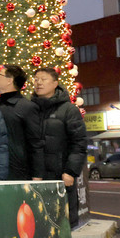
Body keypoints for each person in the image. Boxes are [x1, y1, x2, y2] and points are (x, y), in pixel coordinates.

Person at [31, 67, 88, 227]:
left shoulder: (68, 110)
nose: (38, 83)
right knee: (38, 225)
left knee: (61, 224)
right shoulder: (31, 108)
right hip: (36, 177)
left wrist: (70, 171)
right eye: (36, 79)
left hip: (60, 176)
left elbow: (79, 142)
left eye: (43, 79)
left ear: (55, 83)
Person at [0, 64, 45, 181]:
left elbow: (36, 144)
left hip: (17, 173)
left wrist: (37, 175)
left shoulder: (27, 107)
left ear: (9, 80)